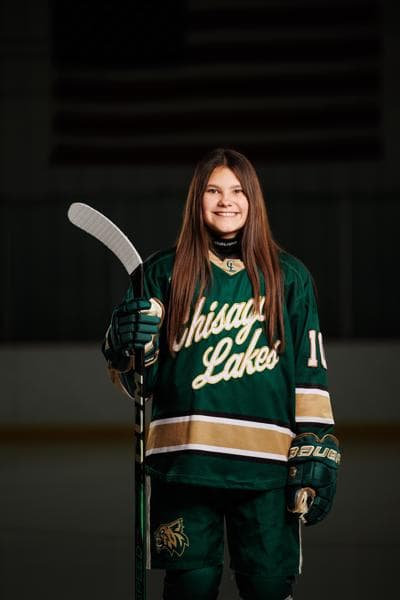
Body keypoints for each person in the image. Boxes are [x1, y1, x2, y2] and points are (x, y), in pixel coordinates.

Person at [102, 148, 340, 600]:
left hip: (268, 470)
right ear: (197, 199)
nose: (226, 201)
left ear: (253, 200)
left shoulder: (289, 277)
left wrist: (316, 440)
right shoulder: (162, 272)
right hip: (184, 466)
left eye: (237, 191)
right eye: (213, 190)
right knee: (190, 587)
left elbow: (309, 371)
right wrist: (124, 344)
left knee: (268, 588)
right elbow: (140, 383)